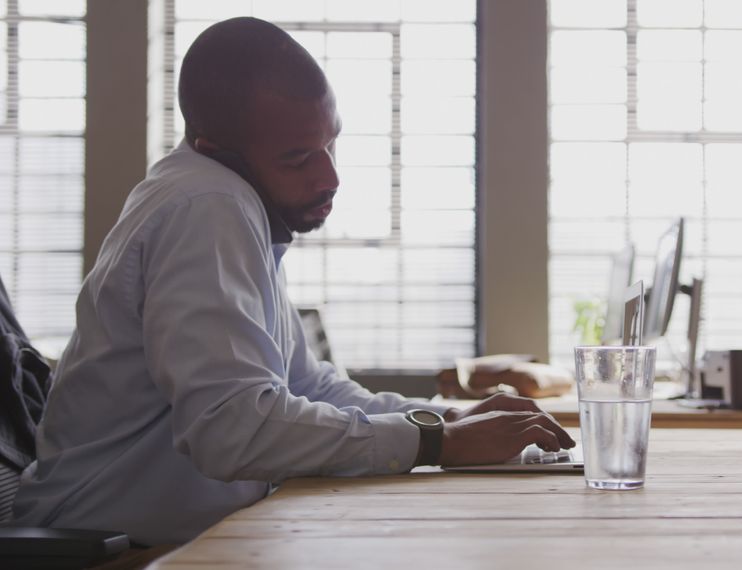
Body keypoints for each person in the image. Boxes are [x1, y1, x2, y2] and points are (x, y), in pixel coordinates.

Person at [12, 17, 574, 546]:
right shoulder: (207, 207)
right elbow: (233, 428)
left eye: (330, 143)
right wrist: (437, 443)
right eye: (298, 157)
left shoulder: (231, 203)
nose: (331, 176)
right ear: (216, 149)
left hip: (174, 536)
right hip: (107, 544)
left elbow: (308, 387)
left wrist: (443, 417)